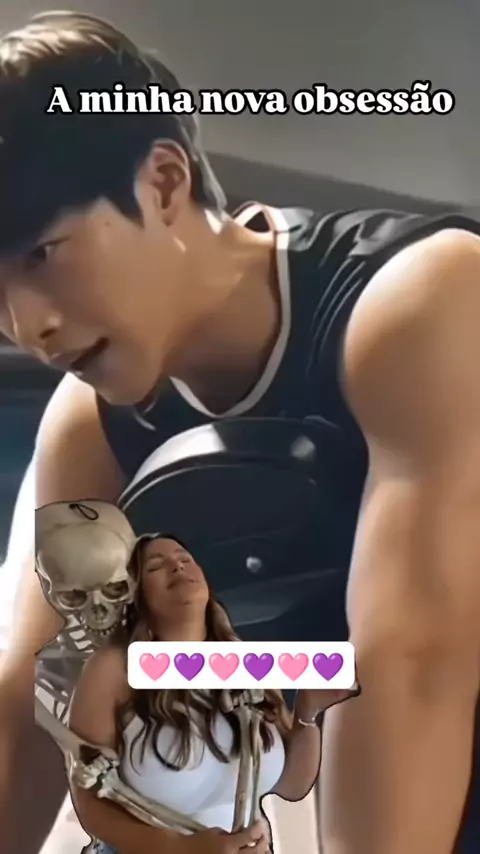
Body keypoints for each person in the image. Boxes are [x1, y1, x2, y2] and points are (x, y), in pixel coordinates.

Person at [0, 9, 479, 854]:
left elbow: (410, 664)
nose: (25, 327)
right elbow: (32, 704)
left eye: (43, 255)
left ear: (164, 183)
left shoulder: (421, 303)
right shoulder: (90, 425)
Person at [68, 533, 352, 854]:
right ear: (136, 594)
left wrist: (307, 713)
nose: (177, 567)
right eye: (156, 566)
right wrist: (182, 849)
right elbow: (89, 799)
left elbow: (292, 786)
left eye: (185, 559)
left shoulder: (247, 664)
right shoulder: (113, 669)